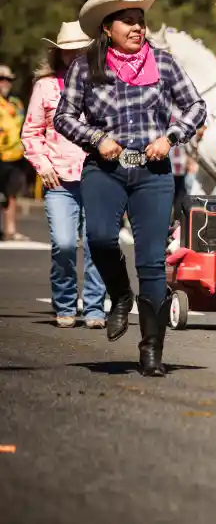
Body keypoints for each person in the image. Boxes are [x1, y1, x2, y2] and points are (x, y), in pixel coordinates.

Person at [54, 0, 207, 376]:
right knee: (101, 238)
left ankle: (151, 350)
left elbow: (195, 106)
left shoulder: (164, 62)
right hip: (104, 167)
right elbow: (64, 116)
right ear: (108, 28)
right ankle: (120, 295)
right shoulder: (85, 65)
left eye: (140, 20)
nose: (137, 27)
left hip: (153, 170)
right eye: (127, 20)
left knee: (153, 261)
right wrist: (96, 138)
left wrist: (170, 137)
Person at [20, 21, 107, 328]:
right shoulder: (45, 86)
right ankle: (65, 302)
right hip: (58, 178)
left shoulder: (102, 82)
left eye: (79, 51)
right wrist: (42, 165)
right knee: (65, 243)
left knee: (99, 243)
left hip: (98, 174)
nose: (73, 57)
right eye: (68, 52)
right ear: (58, 54)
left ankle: (96, 307)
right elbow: (30, 132)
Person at [0, 64, 29, 240]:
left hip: (14, 156)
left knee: (11, 194)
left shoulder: (17, 103)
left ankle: (10, 230)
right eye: (1, 79)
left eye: (8, 79)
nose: (5, 83)